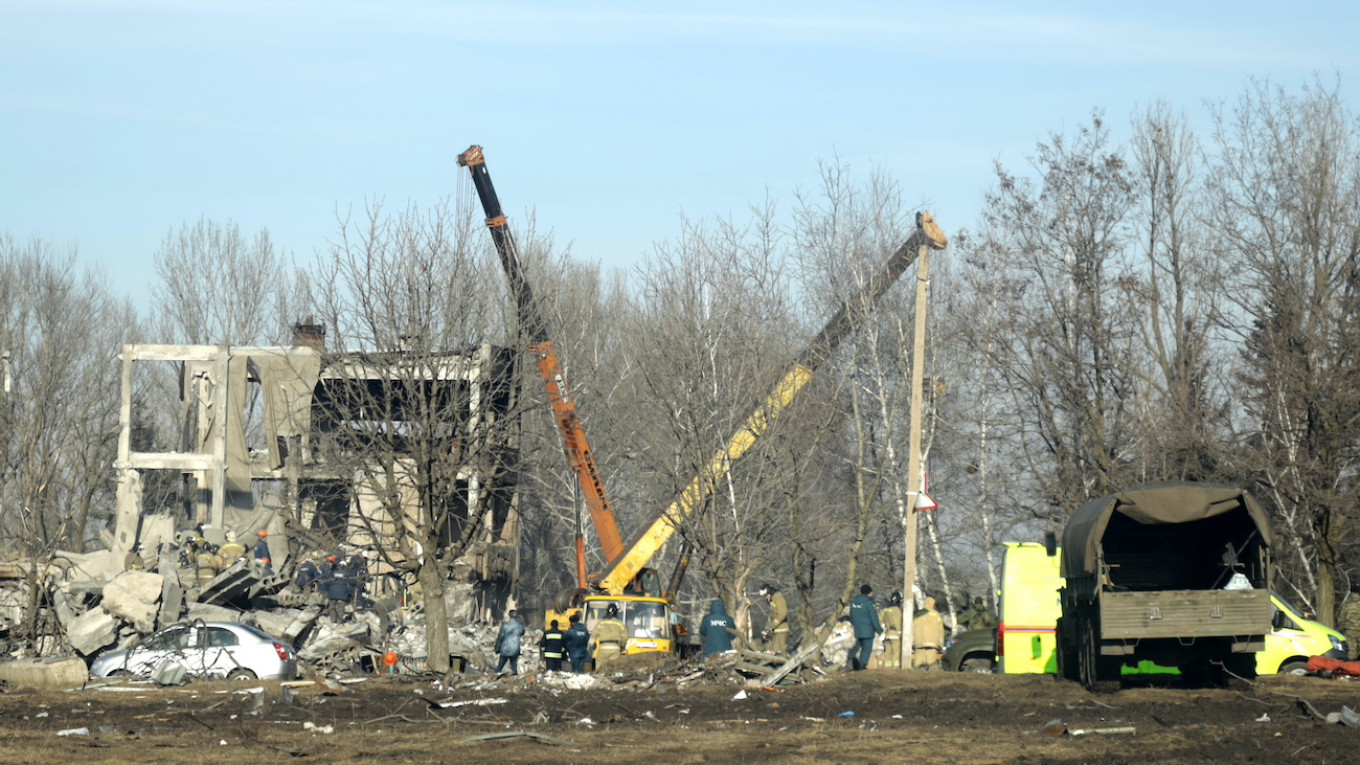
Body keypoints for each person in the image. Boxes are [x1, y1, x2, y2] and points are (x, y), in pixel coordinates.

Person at [848, 584, 882, 671]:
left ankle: (860, 664)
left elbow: (851, 616)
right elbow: (874, 619)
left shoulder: (854, 602)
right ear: (869, 593)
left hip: (858, 630)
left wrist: (856, 625)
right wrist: (880, 631)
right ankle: (862, 665)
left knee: (863, 648)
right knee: (867, 649)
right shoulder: (869, 603)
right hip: (868, 630)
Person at [912, 596, 946, 670]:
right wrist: (940, 644)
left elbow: (912, 629)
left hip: (919, 643)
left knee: (918, 666)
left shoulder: (918, 614)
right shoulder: (937, 615)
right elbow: (941, 631)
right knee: (931, 666)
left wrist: (912, 642)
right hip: (932, 643)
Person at [593, 604, 628, 672]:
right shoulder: (620, 624)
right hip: (615, 649)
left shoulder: (601, 623)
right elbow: (625, 637)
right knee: (614, 669)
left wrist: (590, 646)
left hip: (603, 648)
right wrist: (622, 647)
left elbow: (594, 635)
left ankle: (599, 679)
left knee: (600, 668)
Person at [759, 584, 790, 654]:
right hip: (775, 632)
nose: (766, 597)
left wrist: (772, 625)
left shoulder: (778, 598)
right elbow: (772, 616)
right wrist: (767, 629)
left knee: (778, 653)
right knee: (770, 652)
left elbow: (782, 613)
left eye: (766, 595)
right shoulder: (773, 601)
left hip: (781, 631)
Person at [493, 610, 526, 676]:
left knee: (500, 667)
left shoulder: (505, 626)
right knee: (514, 667)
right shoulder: (520, 626)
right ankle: (515, 680)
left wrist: (497, 648)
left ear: (509, 616)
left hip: (505, 648)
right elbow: (522, 633)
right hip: (515, 649)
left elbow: (500, 638)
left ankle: (496, 676)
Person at [880, 591, 904, 669]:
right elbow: (898, 623)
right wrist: (900, 634)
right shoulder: (897, 610)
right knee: (896, 654)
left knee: (888, 654)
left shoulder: (886, 610)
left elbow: (881, 621)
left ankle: (887, 671)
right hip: (895, 635)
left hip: (887, 634)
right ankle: (895, 671)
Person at [1340, 587, 1360, 661]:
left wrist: (1341, 627)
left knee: (1352, 650)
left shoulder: (1347, 604)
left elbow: (1342, 617)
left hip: (1349, 630)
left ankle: (1351, 667)